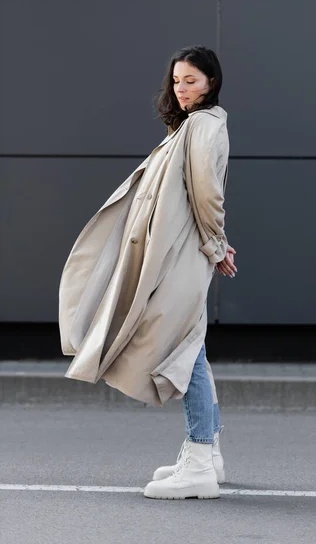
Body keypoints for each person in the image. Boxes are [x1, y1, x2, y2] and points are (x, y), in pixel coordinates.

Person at [58, 45, 237, 501]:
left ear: (211, 83)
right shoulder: (195, 126)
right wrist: (215, 244)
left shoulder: (202, 125)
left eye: (191, 81)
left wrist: (216, 245)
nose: (181, 89)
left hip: (181, 254)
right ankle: (208, 451)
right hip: (182, 251)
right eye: (177, 81)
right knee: (189, 344)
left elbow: (206, 193)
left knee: (182, 350)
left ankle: (199, 459)